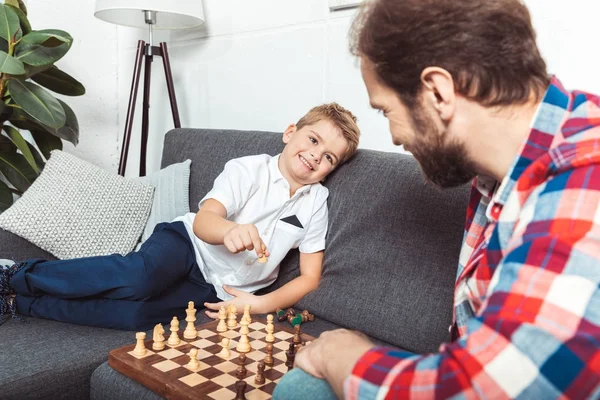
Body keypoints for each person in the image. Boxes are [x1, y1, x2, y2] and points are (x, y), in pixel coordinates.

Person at [273, 0, 600, 398]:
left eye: (386, 111)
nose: (394, 137)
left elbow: (482, 391)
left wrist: (346, 356)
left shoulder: (582, 186)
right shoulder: (500, 174)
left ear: (438, 92)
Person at [0, 103, 360, 330]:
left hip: (214, 287)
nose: (316, 156)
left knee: (137, 317)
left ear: (331, 170)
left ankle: (22, 305)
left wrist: (260, 303)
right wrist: (229, 230)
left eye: (329, 157)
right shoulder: (248, 170)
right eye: (313, 140)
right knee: (139, 278)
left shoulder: (316, 202)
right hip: (186, 243)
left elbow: (311, 276)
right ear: (290, 133)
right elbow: (206, 220)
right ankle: (17, 274)